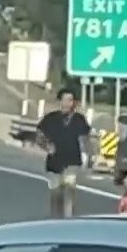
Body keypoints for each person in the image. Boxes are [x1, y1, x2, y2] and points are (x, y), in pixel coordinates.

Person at [36, 87, 91, 218]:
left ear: (74, 103)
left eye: (70, 100)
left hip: (72, 162)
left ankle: (68, 221)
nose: (67, 103)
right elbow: (39, 135)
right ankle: (54, 220)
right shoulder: (50, 118)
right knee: (55, 194)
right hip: (54, 163)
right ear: (60, 101)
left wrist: (88, 155)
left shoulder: (79, 119)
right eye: (64, 100)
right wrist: (47, 146)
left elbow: (85, 139)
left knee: (69, 192)